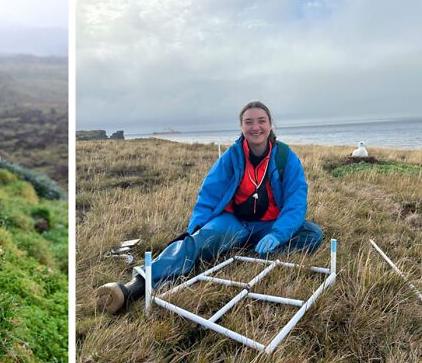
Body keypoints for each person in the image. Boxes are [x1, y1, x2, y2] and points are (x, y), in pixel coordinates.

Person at [96, 101, 323, 314]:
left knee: (312, 234)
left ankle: (255, 250)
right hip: (235, 223)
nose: (256, 127)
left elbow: (296, 202)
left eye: (261, 121)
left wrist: (278, 234)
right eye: (249, 121)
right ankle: (136, 285)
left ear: (270, 124)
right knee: (196, 241)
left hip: (269, 226)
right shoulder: (231, 156)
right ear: (241, 126)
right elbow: (209, 195)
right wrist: (197, 229)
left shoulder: (285, 157)